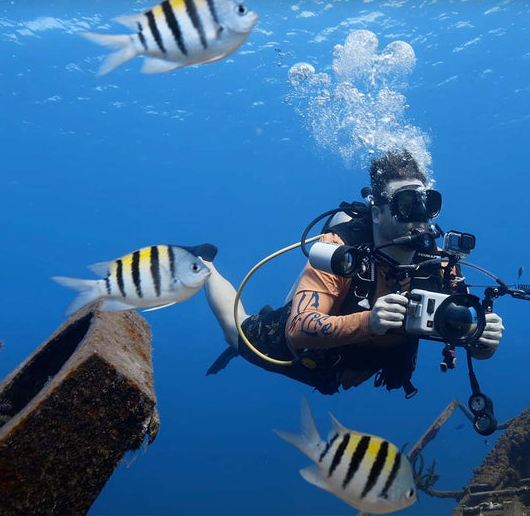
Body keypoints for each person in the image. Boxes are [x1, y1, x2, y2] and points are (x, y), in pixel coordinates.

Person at [202, 150, 504, 396]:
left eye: (427, 204)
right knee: (234, 331)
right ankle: (204, 263)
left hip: (369, 360)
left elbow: (464, 335)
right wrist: (369, 321)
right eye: (406, 204)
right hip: (309, 355)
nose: (419, 218)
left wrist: (483, 340)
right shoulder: (339, 249)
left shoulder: (439, 263)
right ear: (376, 212)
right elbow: (297, 330)